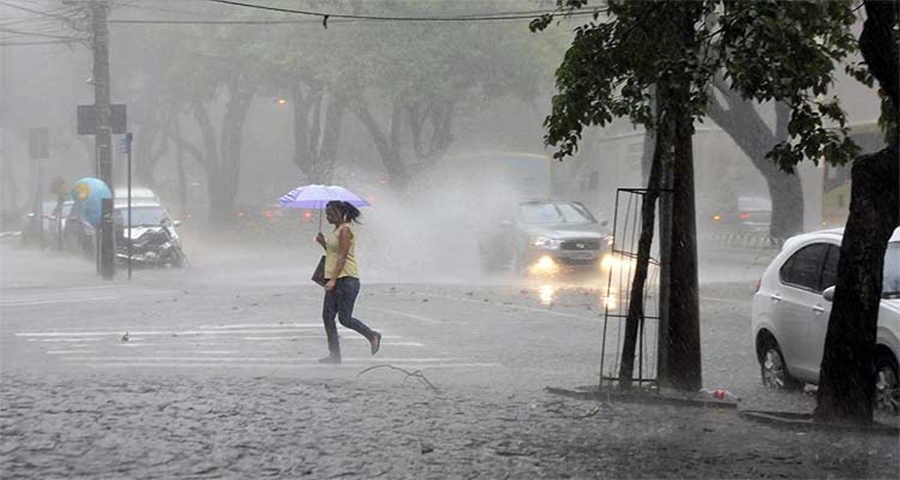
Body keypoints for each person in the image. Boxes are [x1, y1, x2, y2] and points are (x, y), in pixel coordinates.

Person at [315, 200, 382, 364]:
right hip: (336, 279)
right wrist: (323, 243)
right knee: (327, 316)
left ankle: (372, 335)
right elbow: (333, 253)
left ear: (341, 213)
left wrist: (333, 279)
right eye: (327, 213)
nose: (328, 216)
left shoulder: (345, 230)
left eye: (331, 213)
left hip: (346, 280)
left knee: (345, 319)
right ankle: (334, 355)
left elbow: (343, 257)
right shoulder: (336, 230)